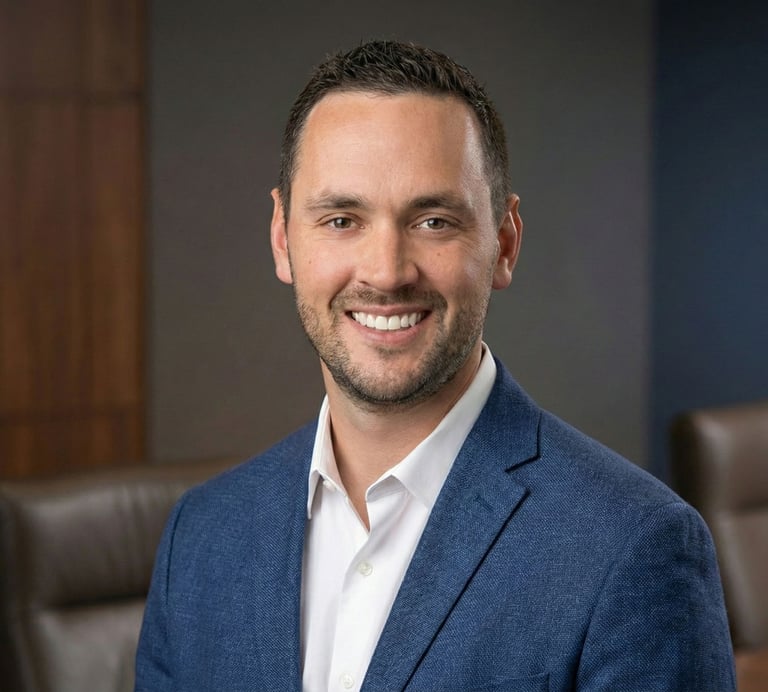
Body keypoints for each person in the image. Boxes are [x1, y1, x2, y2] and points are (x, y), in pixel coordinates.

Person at [135, 40, 735, 691]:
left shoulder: (633, 548)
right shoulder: (201, 538)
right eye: (341, 219)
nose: (386, 272)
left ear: (504, 244)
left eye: (433, 220)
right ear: (283, 239)